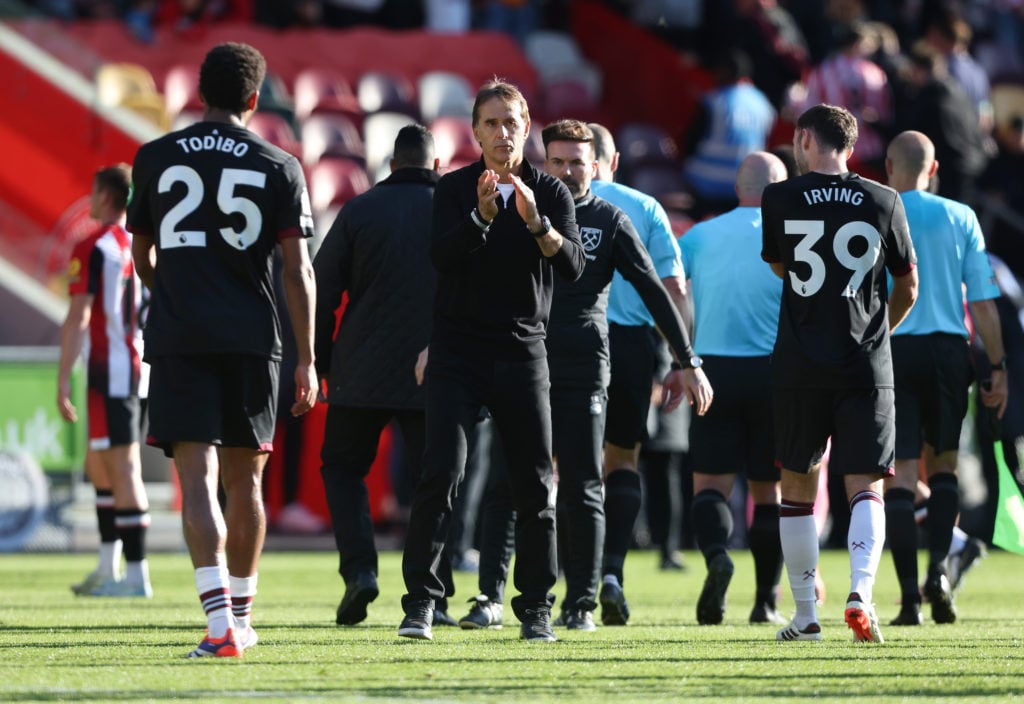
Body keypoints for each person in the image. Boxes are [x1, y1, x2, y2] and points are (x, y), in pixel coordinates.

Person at [458, 120, 712, 633]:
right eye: (558, 161)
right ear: (541, 163)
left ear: (596, 166)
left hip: (583, 368)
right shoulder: (512, 211)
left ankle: (580, 603)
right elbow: (470, 283)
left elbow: (655, 291)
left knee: (582, 484)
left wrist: (688, 360)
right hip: (519, 363)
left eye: (578, 162)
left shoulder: (611, 220)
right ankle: (489, 596)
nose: (569, 171)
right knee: (509, 482)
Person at [127, 42, 318, 658]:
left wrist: (173, 293)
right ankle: (241, 617)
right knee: (246, 483)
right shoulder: (280, 164)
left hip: (181, 337)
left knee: (197, 479)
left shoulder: (154, 157)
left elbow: (142, 254)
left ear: (198, 94)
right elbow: (298, 271)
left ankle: (217, 627)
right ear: (255, 100)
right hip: (252, 338)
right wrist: (309, 357)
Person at [397, 79, 585, 643]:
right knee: (441, 477)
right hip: (458, 350)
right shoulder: (453, 189)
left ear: (527, 128)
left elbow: (574, 266)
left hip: (524, 351)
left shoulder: (550, 193)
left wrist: (537, 223)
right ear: (475, 131)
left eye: (512, 123)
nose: (503, 133)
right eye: (491, 123)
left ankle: (534, 609)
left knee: (533, 485)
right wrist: (480, 218)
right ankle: (422, 605)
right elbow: (440, 257)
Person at [761, 104, 918, 643]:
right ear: (851, 146)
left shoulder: (778, 197)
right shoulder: (885, 199)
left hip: (800, 362)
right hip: (864, 363)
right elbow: (908, 286)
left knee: (797, 488)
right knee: (866, 486)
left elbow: (783, 268)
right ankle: (861, 594)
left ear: (804, 140)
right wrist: (879, 330)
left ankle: (806, 615)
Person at [314, 123, 461, 628]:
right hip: (437, 369)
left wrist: (320, 362)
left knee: (342, 468)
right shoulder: (456, 208)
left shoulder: (357, 210)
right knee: (435, 483)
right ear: (437, 165)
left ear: (390, 166)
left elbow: (322, 291)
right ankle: (434, 595)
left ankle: (360, 571)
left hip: (361, 369)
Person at [882, 130, 1007, 627]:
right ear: (933, 170)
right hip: (949, 352)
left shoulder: (876, 213)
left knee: (902, 476)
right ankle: (939, 571)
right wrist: (995, 366)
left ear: (889, 165)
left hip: (892, 348)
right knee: (946, 469)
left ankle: (909, 599)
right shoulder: (961, 217)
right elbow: (982, 301)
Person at [587, 122, 691, 626]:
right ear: (614, 160)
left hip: (565, 343)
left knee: (564, 464)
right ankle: (611, 573)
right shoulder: (645, 207)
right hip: (630, 344)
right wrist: (679, 360)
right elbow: (674, 287)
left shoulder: (550, 201)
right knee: (622, 461)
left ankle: (570, 580)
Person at [679, 151, 789, 626]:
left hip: (713, 370)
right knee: (770, 493)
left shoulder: (700, 236)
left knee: (711, 485)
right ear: (779, 188)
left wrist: (676, 359)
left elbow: (673, 297)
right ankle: (766, 599)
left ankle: (718, 556)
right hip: (774, 372)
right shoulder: (792, 234)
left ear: (737, 186)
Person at [59, 163, 153, 599]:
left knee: (123, 466)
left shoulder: (95, 245)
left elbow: (79, 314)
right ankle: (107, 565)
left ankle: (136, 576)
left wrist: (62, 379)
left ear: (105, 196)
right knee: (100, 466)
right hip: (132, 367)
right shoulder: (140, 243)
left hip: (115, 369)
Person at [683, 48, 776, 219]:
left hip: (705, 188)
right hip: (746, 187)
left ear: (724, 71)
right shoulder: (764, 105)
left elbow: (689, 144)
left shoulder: (714, 102)